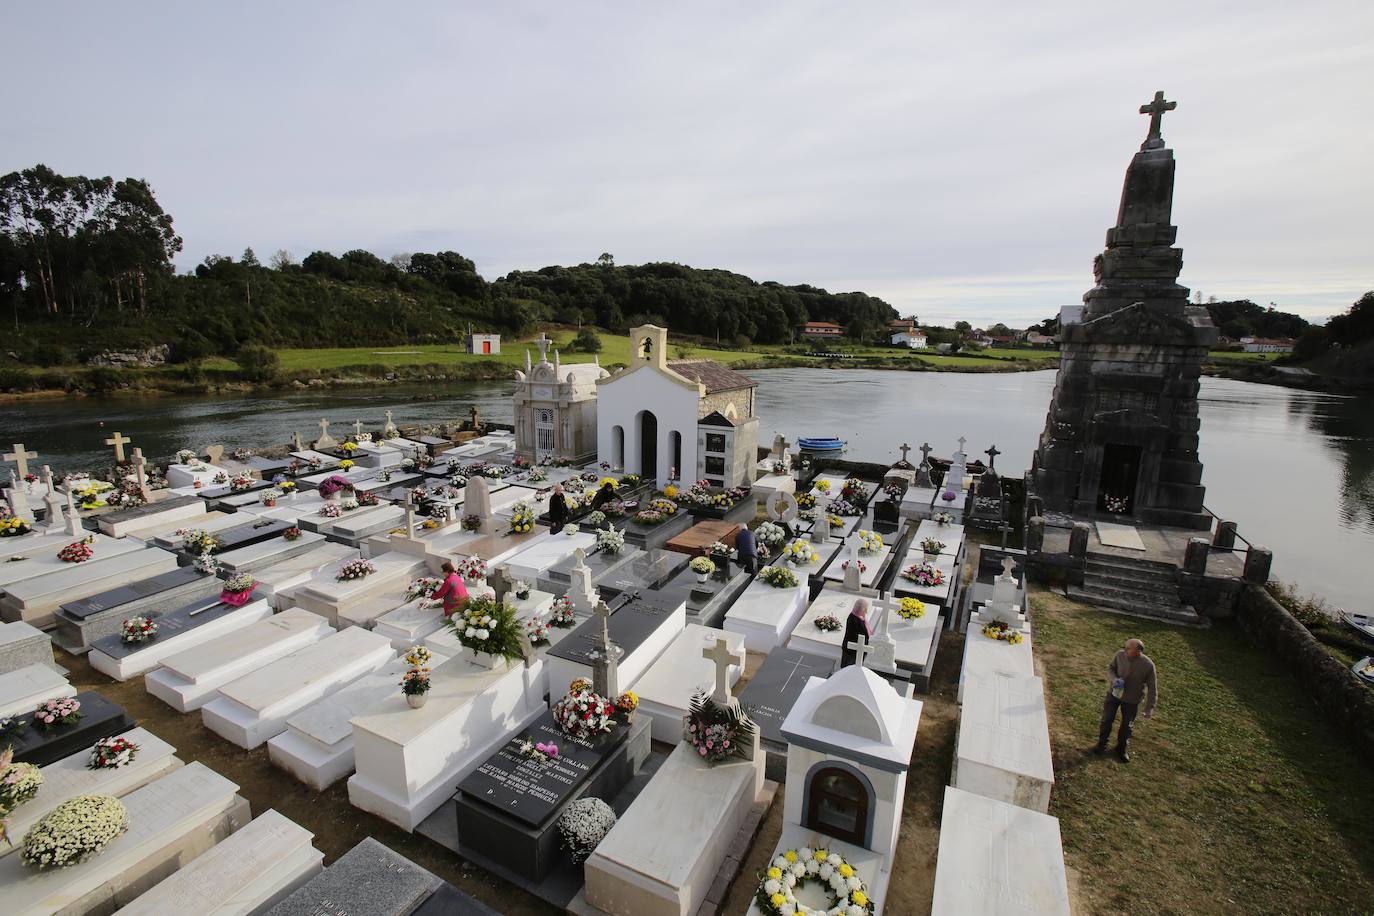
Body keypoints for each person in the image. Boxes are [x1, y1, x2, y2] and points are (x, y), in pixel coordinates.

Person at [1095, 637, 1158, 762]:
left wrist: (1149, 708)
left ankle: (1121, 748)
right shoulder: (1119, 655)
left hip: (1132, 700)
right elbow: (1111, 668)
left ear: (1138, 651)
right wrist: (1114, 679)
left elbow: (1153, 687)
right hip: (1114, 695)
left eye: (1128, 648)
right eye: (1126, 647)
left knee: (1127, 725)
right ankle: (1102, 744)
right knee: (1107, 719)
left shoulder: (1148, 665)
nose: (1125, 650)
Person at [838, 598, 872, 668]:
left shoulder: (857, 617)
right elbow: (860, 636)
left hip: (854, 651)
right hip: (852, 652)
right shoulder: (855, 620)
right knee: (848, 669)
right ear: (862, 610)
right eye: (866, 609)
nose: (866, 611)